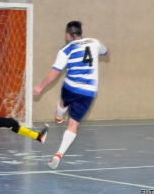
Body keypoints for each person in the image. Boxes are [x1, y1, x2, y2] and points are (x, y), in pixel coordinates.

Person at [33, 21, 111, 169]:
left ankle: (59, 111)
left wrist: (40, 87)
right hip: (89, 91)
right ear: (81, 32)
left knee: (63, 102)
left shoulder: (67, 49)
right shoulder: (94, 42)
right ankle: (59, 154)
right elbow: (108, 52)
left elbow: (55, 72)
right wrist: (104, 52)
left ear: (68, 35)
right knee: (73, 124)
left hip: (71, 87)